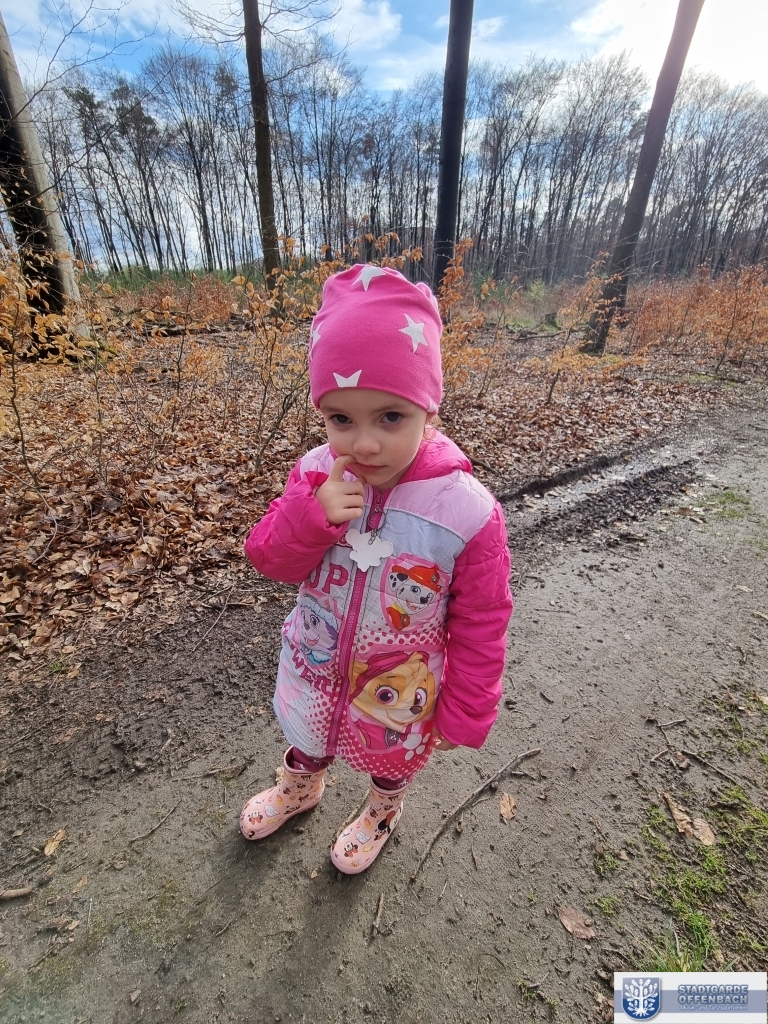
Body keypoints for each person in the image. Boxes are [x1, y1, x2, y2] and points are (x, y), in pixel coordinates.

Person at [239, 264, 513, 874]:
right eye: (341, 419)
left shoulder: (466, 512)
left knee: (392, 758)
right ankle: (300, 787)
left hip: (400, 689)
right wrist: (312, 516)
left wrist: (466, 710)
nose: (363, 445)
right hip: (315, 665)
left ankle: (381, 810)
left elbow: (483, 621)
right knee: (308, 736)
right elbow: (269, 559)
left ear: (428, 410)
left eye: (390, 417)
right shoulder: (316, 473)